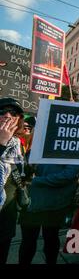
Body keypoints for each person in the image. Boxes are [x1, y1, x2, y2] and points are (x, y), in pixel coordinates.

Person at [18, 163, 79, 264]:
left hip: (53, 204)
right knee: (27, 242)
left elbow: (69, 174)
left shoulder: (69, 150)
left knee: (50, 240)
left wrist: (36, 181)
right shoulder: (33, 147)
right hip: (31, 202)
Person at [0, 97, 25, 264]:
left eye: (13, 113)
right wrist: (1, 143)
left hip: (6, 219)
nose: (8, 115)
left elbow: (20, 176)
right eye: (2, 112)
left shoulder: (17, 144)